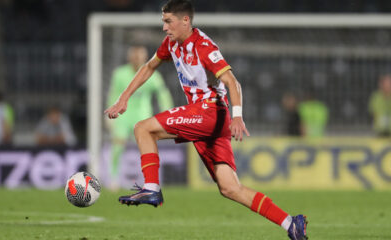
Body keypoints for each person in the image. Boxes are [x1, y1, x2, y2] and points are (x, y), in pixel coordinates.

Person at [104, 1, 308, 239]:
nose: (164, 27)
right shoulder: (171, 43)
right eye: (163, 21)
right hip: (208, 120)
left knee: (143, 129)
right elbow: (150, 66)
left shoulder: (203, 47)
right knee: (230, 188)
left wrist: (238, 117)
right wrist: (124, 98)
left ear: (185, 21)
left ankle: (151, 188)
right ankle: (290, 223)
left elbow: (233, 82)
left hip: (209, 112)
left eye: (168, 21)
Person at [106, 45, 173, 189]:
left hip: (142, 115)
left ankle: (149, 181)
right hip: (123, 116)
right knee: (118, 146)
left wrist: (168, 113)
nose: (137, 58)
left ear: (145, 56)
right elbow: (113, 94)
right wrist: (110, 117)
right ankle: (113, 179)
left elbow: (163, 94)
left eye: (140, 55)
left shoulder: (152, 75)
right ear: (129, 56)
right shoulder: (120, 74)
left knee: (146, 148)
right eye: (134, 55)